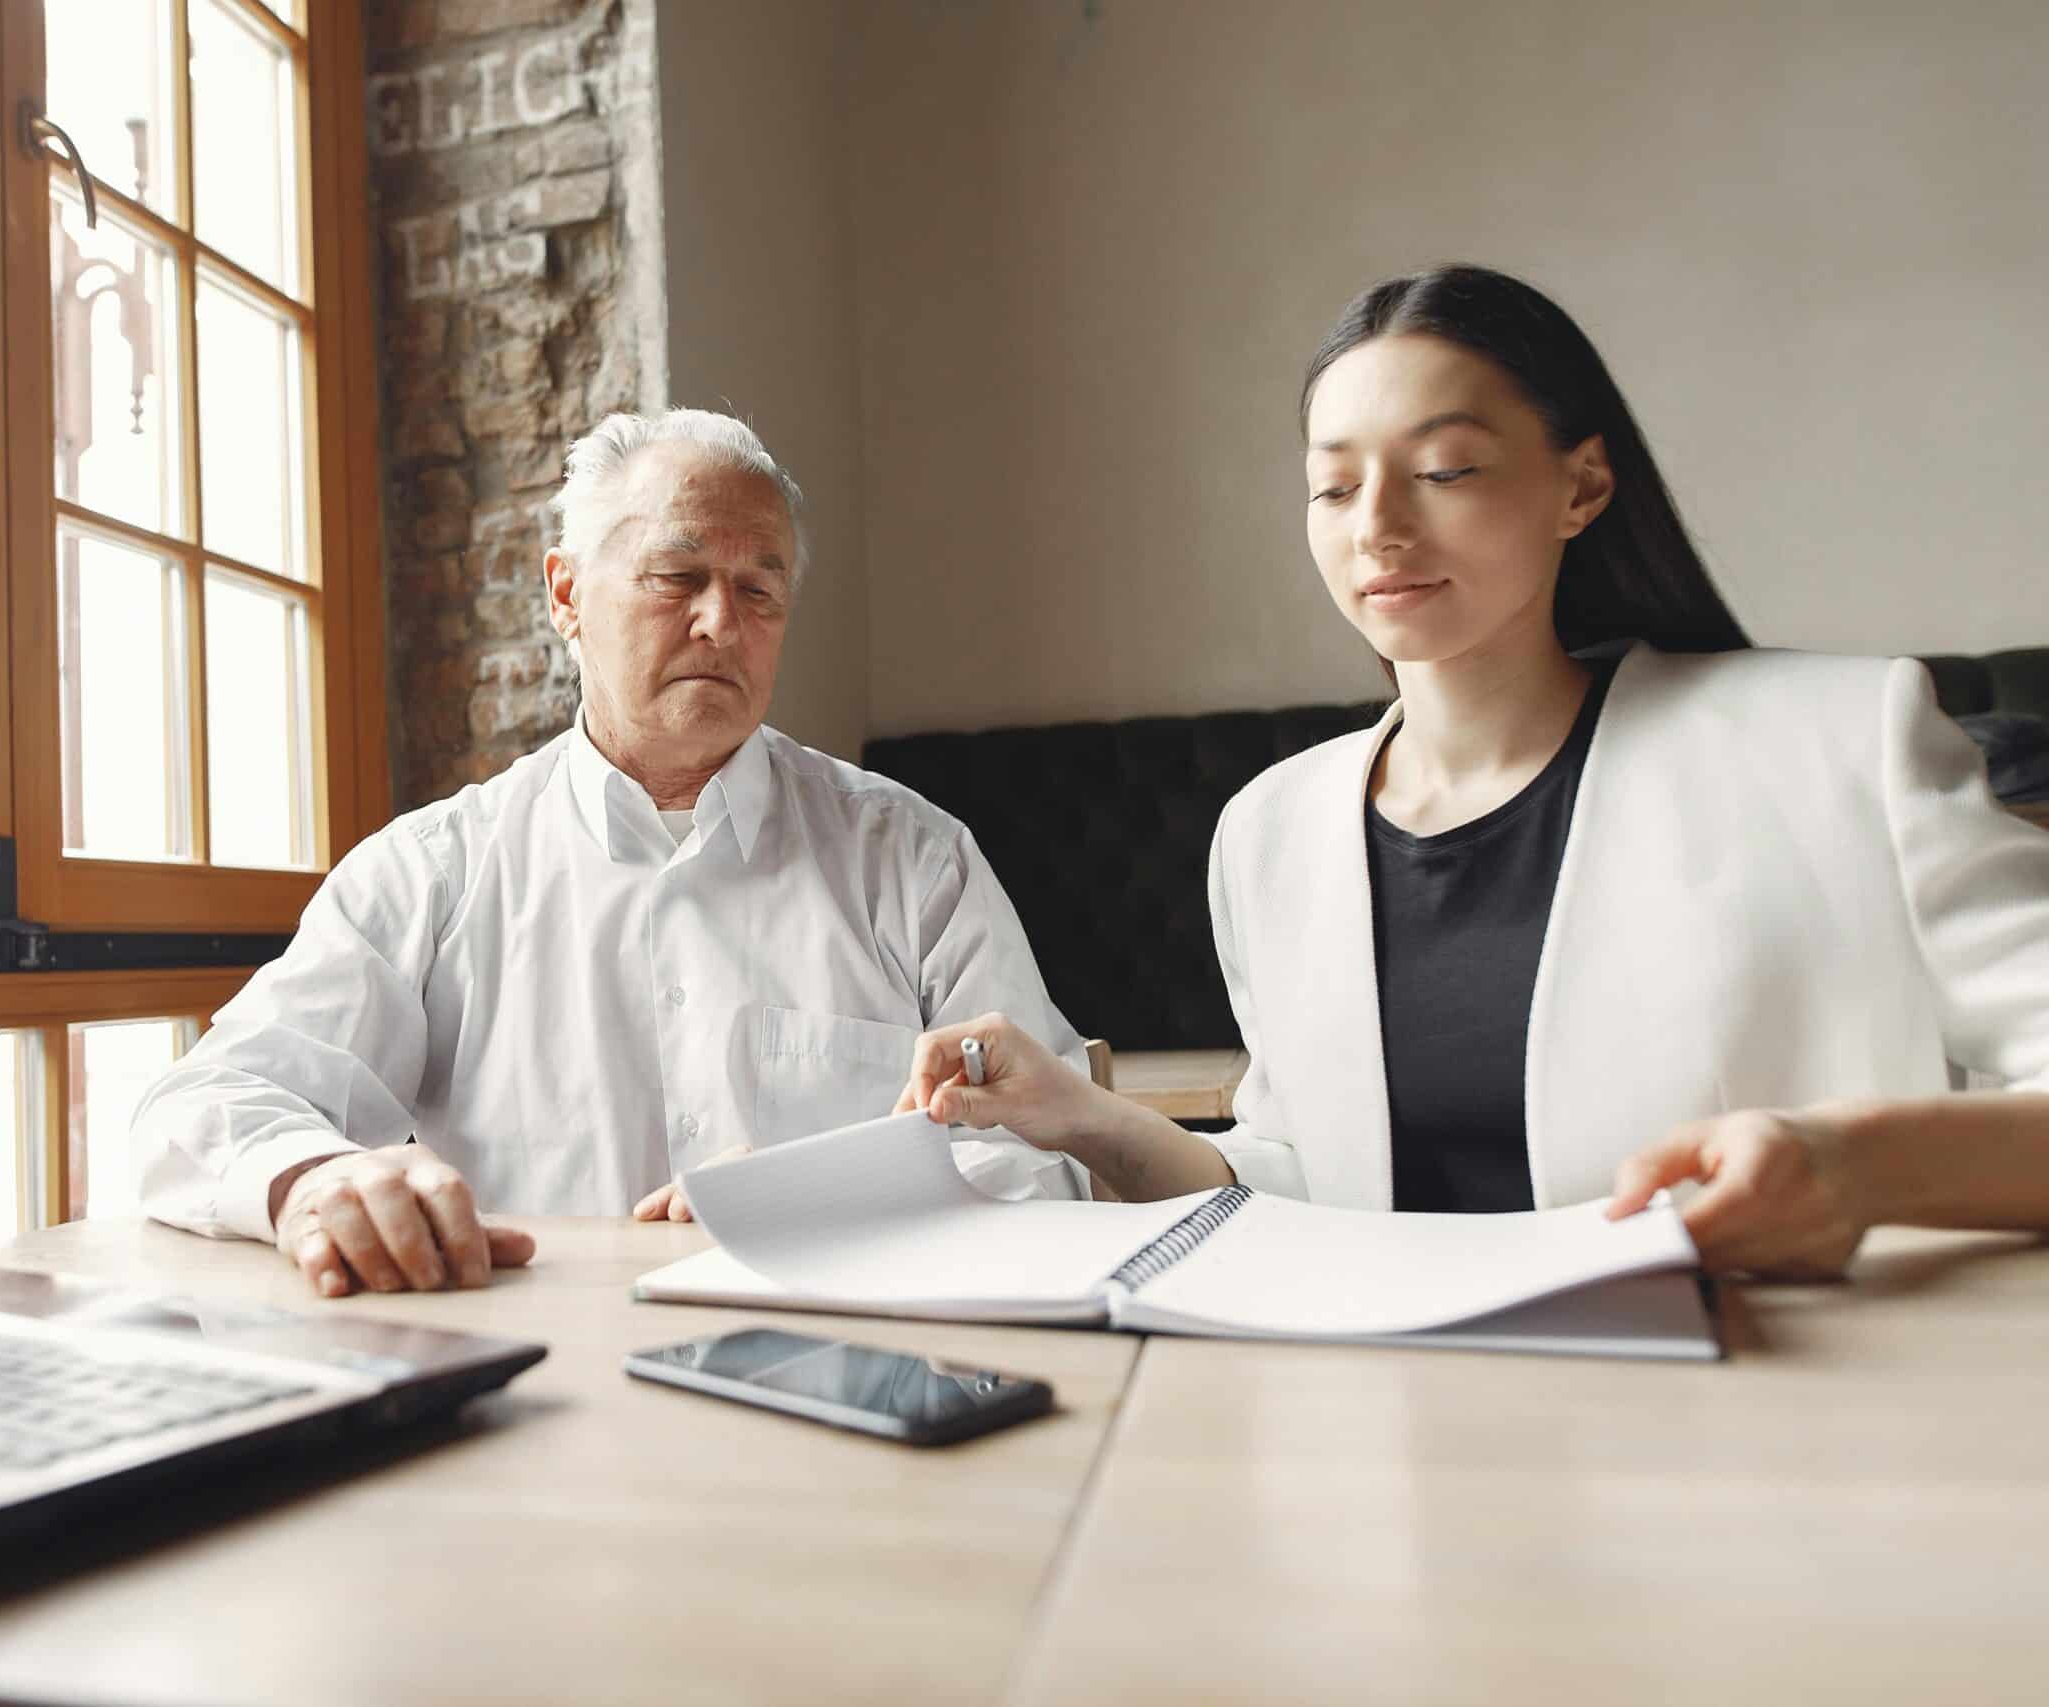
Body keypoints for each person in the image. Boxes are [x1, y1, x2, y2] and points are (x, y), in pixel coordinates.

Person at [898, 265, 2049, 1278]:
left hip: (1789, 1441)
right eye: (1335, 485)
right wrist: (1082, 1118)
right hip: (1410, 1444)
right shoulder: (1273, 827)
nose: (1378, 528)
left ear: (1581, 487)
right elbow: (1309, 1190)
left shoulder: (1843, 742)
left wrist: (1855, 1168)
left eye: (1444, 470)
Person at [137, 409, 1090, 1297]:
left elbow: (1060, 1145)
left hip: (860, 1378)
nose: (723, 622)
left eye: (761, 589)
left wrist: (839, 1194)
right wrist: (315, 1181)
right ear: (565, 595)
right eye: (678, 577)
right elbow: (204, 1106)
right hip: (536, 1407)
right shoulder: (433, 874)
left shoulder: (913, 860)